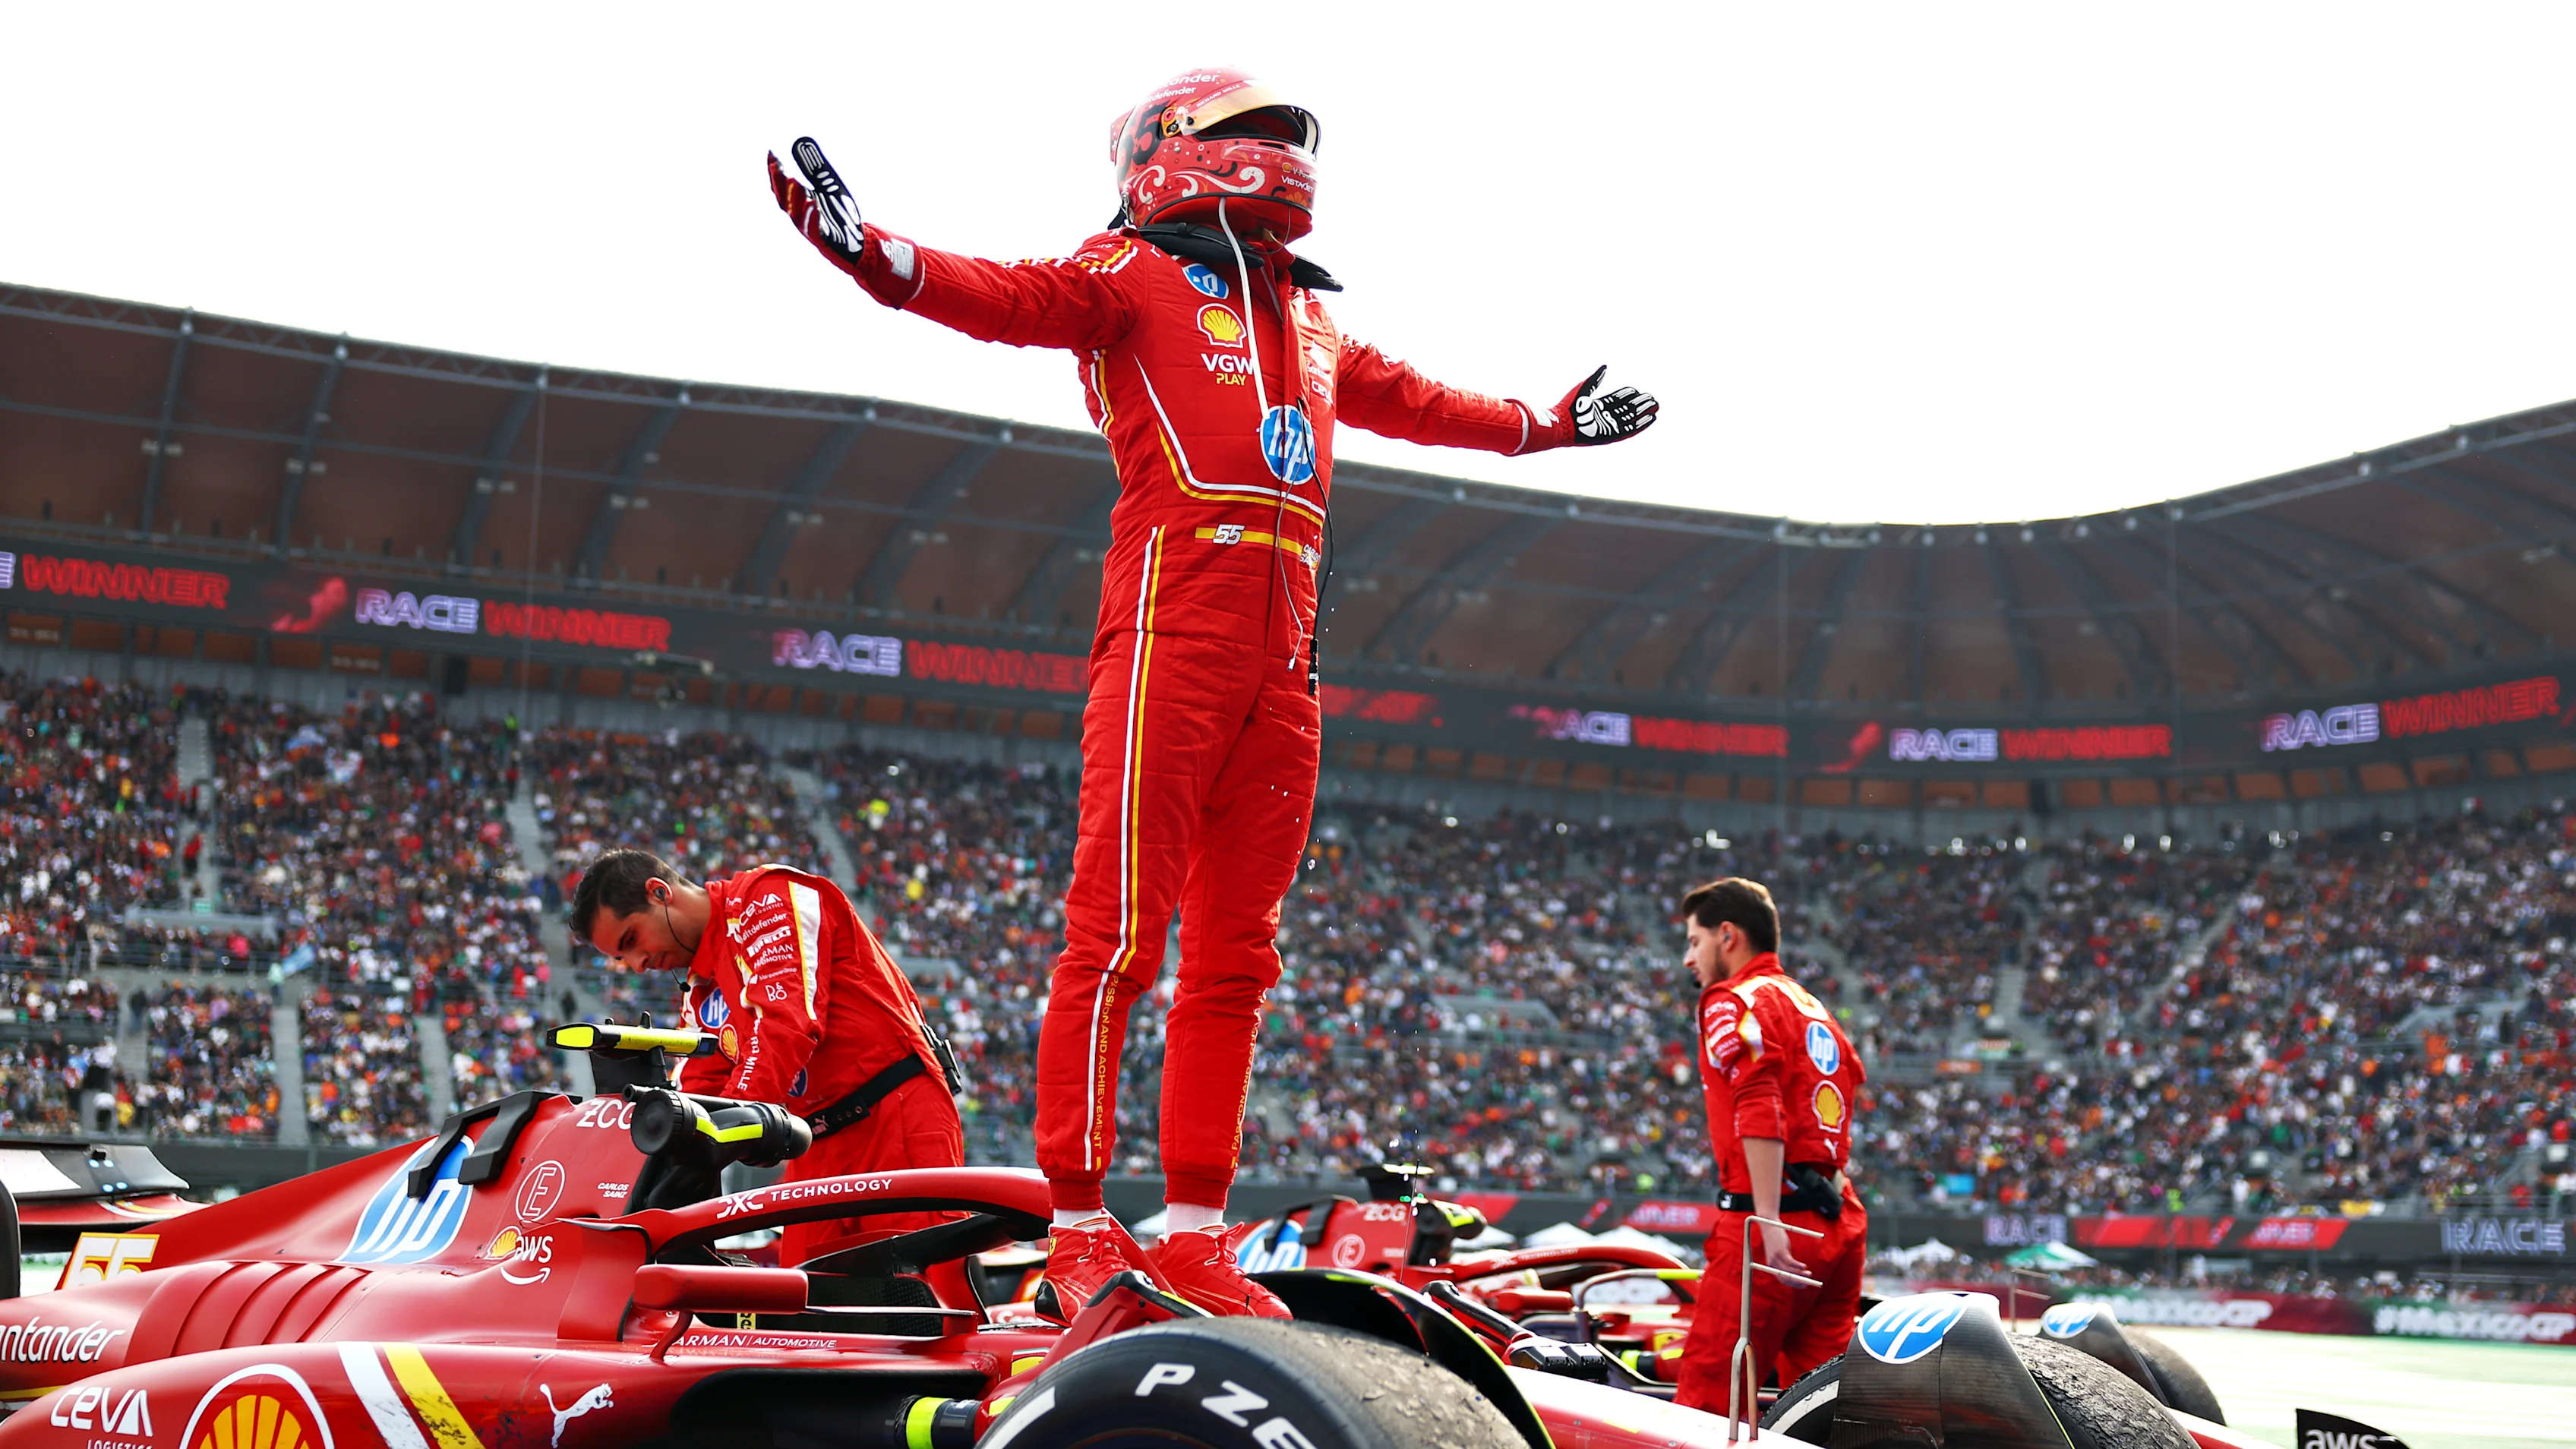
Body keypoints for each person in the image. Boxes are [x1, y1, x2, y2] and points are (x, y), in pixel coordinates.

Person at [766, 68, 1659, 1320]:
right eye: (1247, 131)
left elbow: (1422, 404)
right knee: (1117, 938)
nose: (1274, 149)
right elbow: (1004, 298)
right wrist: (872, 253)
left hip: (1286, 661)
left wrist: (1547, 424)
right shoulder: (1127, 272)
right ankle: (1080, 1227)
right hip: (1170, 630)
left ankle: (1194, 1237)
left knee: (1237, 958)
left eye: (1281, 134)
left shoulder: (1313, 317)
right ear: (1164, 150)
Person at [573, 848, 964, 1262]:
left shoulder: (768, 897)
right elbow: (696, 1092)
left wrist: (727, 1129)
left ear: (660, 893)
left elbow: (786, 1023)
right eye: (622, 958)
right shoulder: (701, 988)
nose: (637, 965)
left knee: (931, 1287)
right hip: (815, 1146)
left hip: (892, 1115)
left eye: (631, 940)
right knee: (805, 1298)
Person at [1665, 877, 1868, 1414]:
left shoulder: (1729, 1001)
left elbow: (1759, 1102)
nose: (1688, 958)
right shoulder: (1816, 1009)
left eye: (1694, 941)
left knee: (1709, 1406)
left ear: (1727, 936)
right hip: (1838, 1219)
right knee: (1824, 1411)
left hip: (1770, 1229)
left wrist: (1770, 1218)